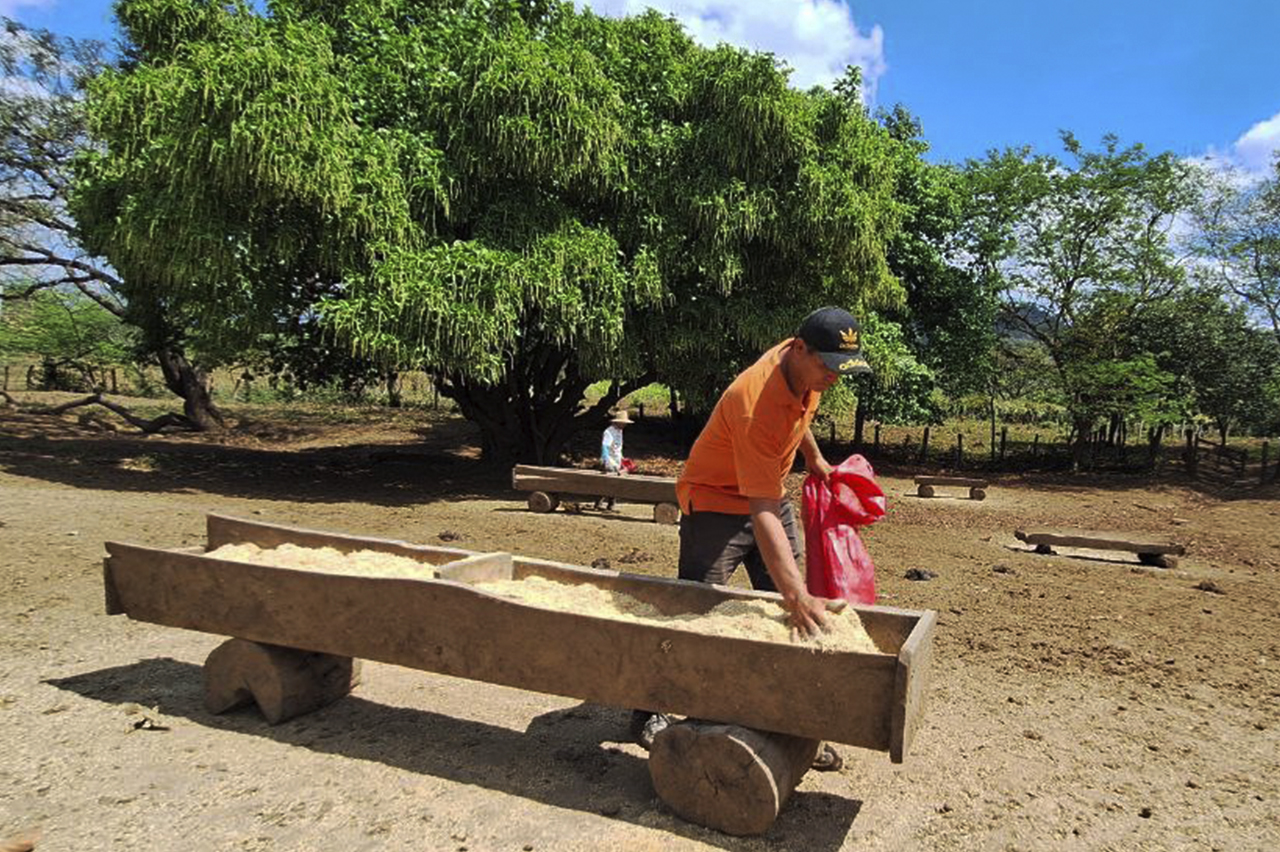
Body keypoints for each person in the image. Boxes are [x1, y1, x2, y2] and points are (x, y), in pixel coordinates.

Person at [629, 307, 872, 768]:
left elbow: (799, 420)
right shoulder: (754, 401)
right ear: (800, 349)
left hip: (766, 493)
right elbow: (759, 510)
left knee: (788, 615)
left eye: (842, 369)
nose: (834, 379)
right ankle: (648, 706)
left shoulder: (803, 369)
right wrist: (796, 592)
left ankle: (784, 719)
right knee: (697, 611)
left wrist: (816, 460)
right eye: (829, 367)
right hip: (717, 502)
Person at [594, 410, 633, 511]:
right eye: (623, 422)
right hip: (609, 460)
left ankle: (610, 504)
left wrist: (622, 458)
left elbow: (617, 447)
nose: (624, 424)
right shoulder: (608, 432)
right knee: (608, 483)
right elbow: (605, 447)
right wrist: (607, 460)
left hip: (617, 459)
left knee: (615, 482)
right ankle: (599, 503)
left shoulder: (620, 431)